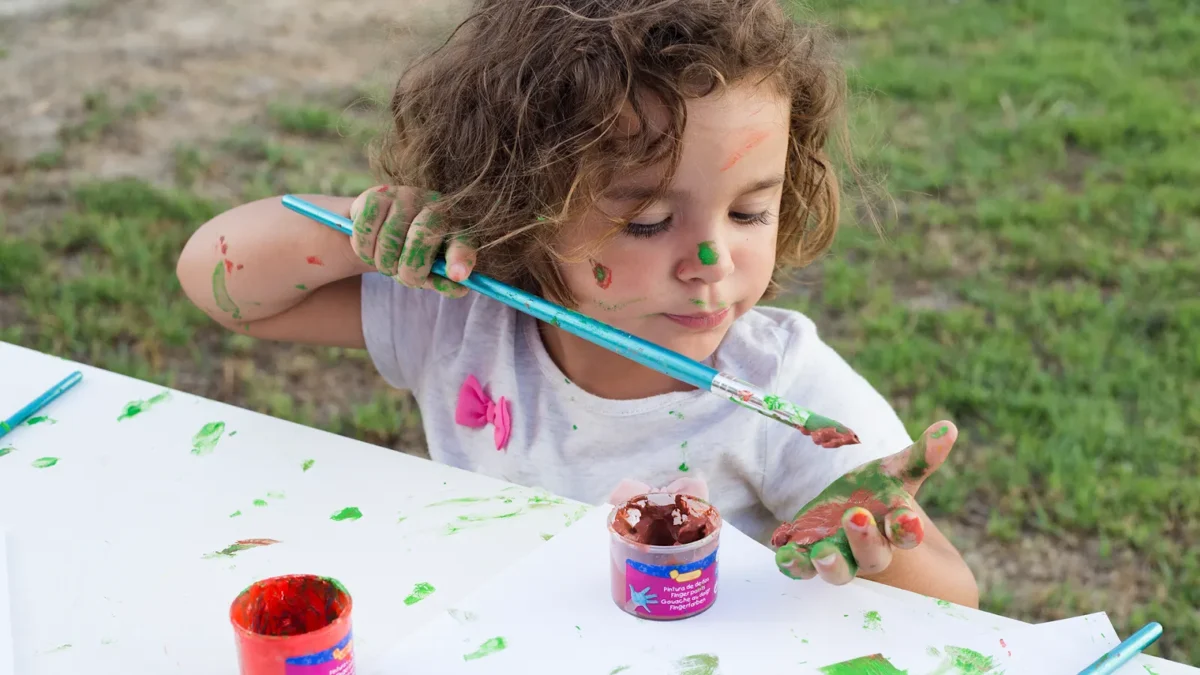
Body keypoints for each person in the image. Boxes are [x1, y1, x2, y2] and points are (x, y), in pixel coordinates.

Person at [177, 0, 978, 606]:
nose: (712, 261)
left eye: (748, 212)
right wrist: (361, 230)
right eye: (649, 220)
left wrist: (873, 551)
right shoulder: (462, 318)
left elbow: (959, 598)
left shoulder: (787, 390)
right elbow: (224, 285)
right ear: (522, 206)